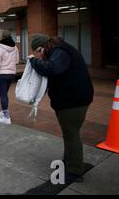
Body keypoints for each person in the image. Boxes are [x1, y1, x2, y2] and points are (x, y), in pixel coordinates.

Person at [29, 34, 94, 183]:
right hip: (73, 98)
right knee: (69, 133)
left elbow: (52, 69)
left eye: (38, 53)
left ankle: (75, 170)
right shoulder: (60, 50)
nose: (39, 56)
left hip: (74, 100)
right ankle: (69, 160)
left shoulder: (60, 52)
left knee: (71, 134)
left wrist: (34, 62)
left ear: (42, 47)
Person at [0, 29, 20, 125]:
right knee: (4, 94)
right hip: (11, 74)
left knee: (2, 95)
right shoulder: (15, 47)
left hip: (1, 74)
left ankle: (6, 117)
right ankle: (3, 112)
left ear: (0, 36)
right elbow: (17, 61)